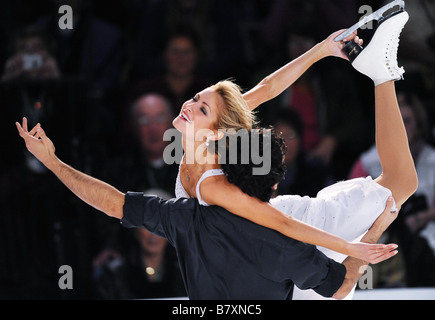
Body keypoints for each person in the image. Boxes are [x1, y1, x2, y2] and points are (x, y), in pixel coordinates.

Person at [15, 117, 398, 299]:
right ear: (276, 185)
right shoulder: (286, 244)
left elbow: (111, 201)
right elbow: (341, 287)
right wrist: (376, 229)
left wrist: (52, 161)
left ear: (227, 177)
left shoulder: (188, 217)